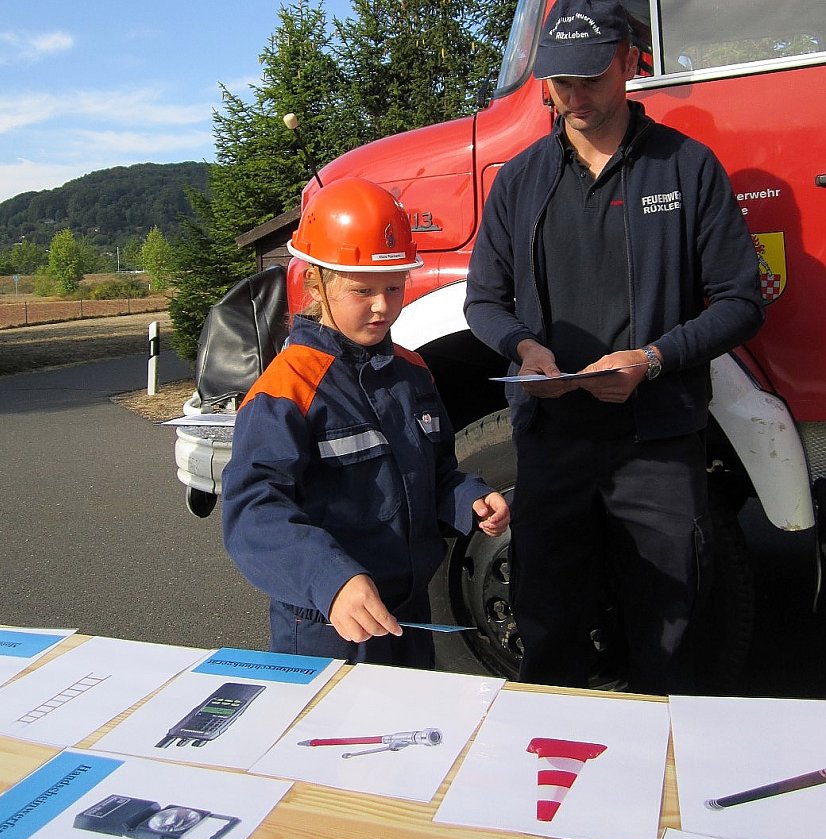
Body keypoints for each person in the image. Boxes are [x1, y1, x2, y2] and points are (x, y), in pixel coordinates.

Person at [464, 0, 764, 694]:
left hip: (657, 446)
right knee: (550, 634)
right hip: (552, 446)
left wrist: (651, 360)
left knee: (669, 638)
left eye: (591, 79)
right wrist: (524, 347)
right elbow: (483, 300)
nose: (574, 97)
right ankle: (552, 787)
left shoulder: (688, 169)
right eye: (560, 82)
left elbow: (742, 303)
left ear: (631, 63)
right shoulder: (519, 180)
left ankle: (665, 791)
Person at [223, 177, 510, 669]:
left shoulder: (413, 373)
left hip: (407, 619)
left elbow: (436, 473)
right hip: (326, 627)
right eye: (363, 290)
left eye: (395, 287)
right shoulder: (288, 387)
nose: (383, 306)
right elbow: (253, 511)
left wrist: (468, 499)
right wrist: (330, 581)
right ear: (316, 282)